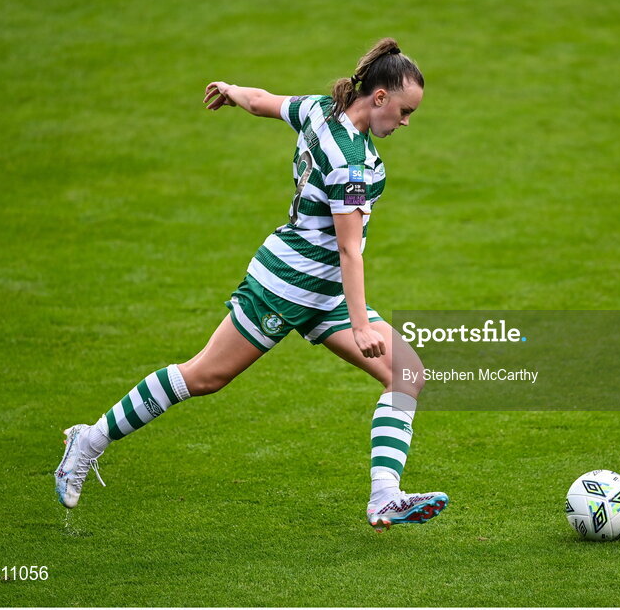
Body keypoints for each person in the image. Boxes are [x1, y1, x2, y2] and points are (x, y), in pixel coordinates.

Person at [54, 38, 447, 530]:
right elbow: (349, 249)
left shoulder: (321, 110)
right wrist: (363, 324)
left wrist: (233, 90)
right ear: (381, 98)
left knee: (406, 373)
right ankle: (88, 441)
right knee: (204, 377)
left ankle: (384, 496)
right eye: (406, 111)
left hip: (324, 293)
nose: (407, 122)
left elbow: (266, 102)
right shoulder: (351, 163)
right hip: (284, 287)